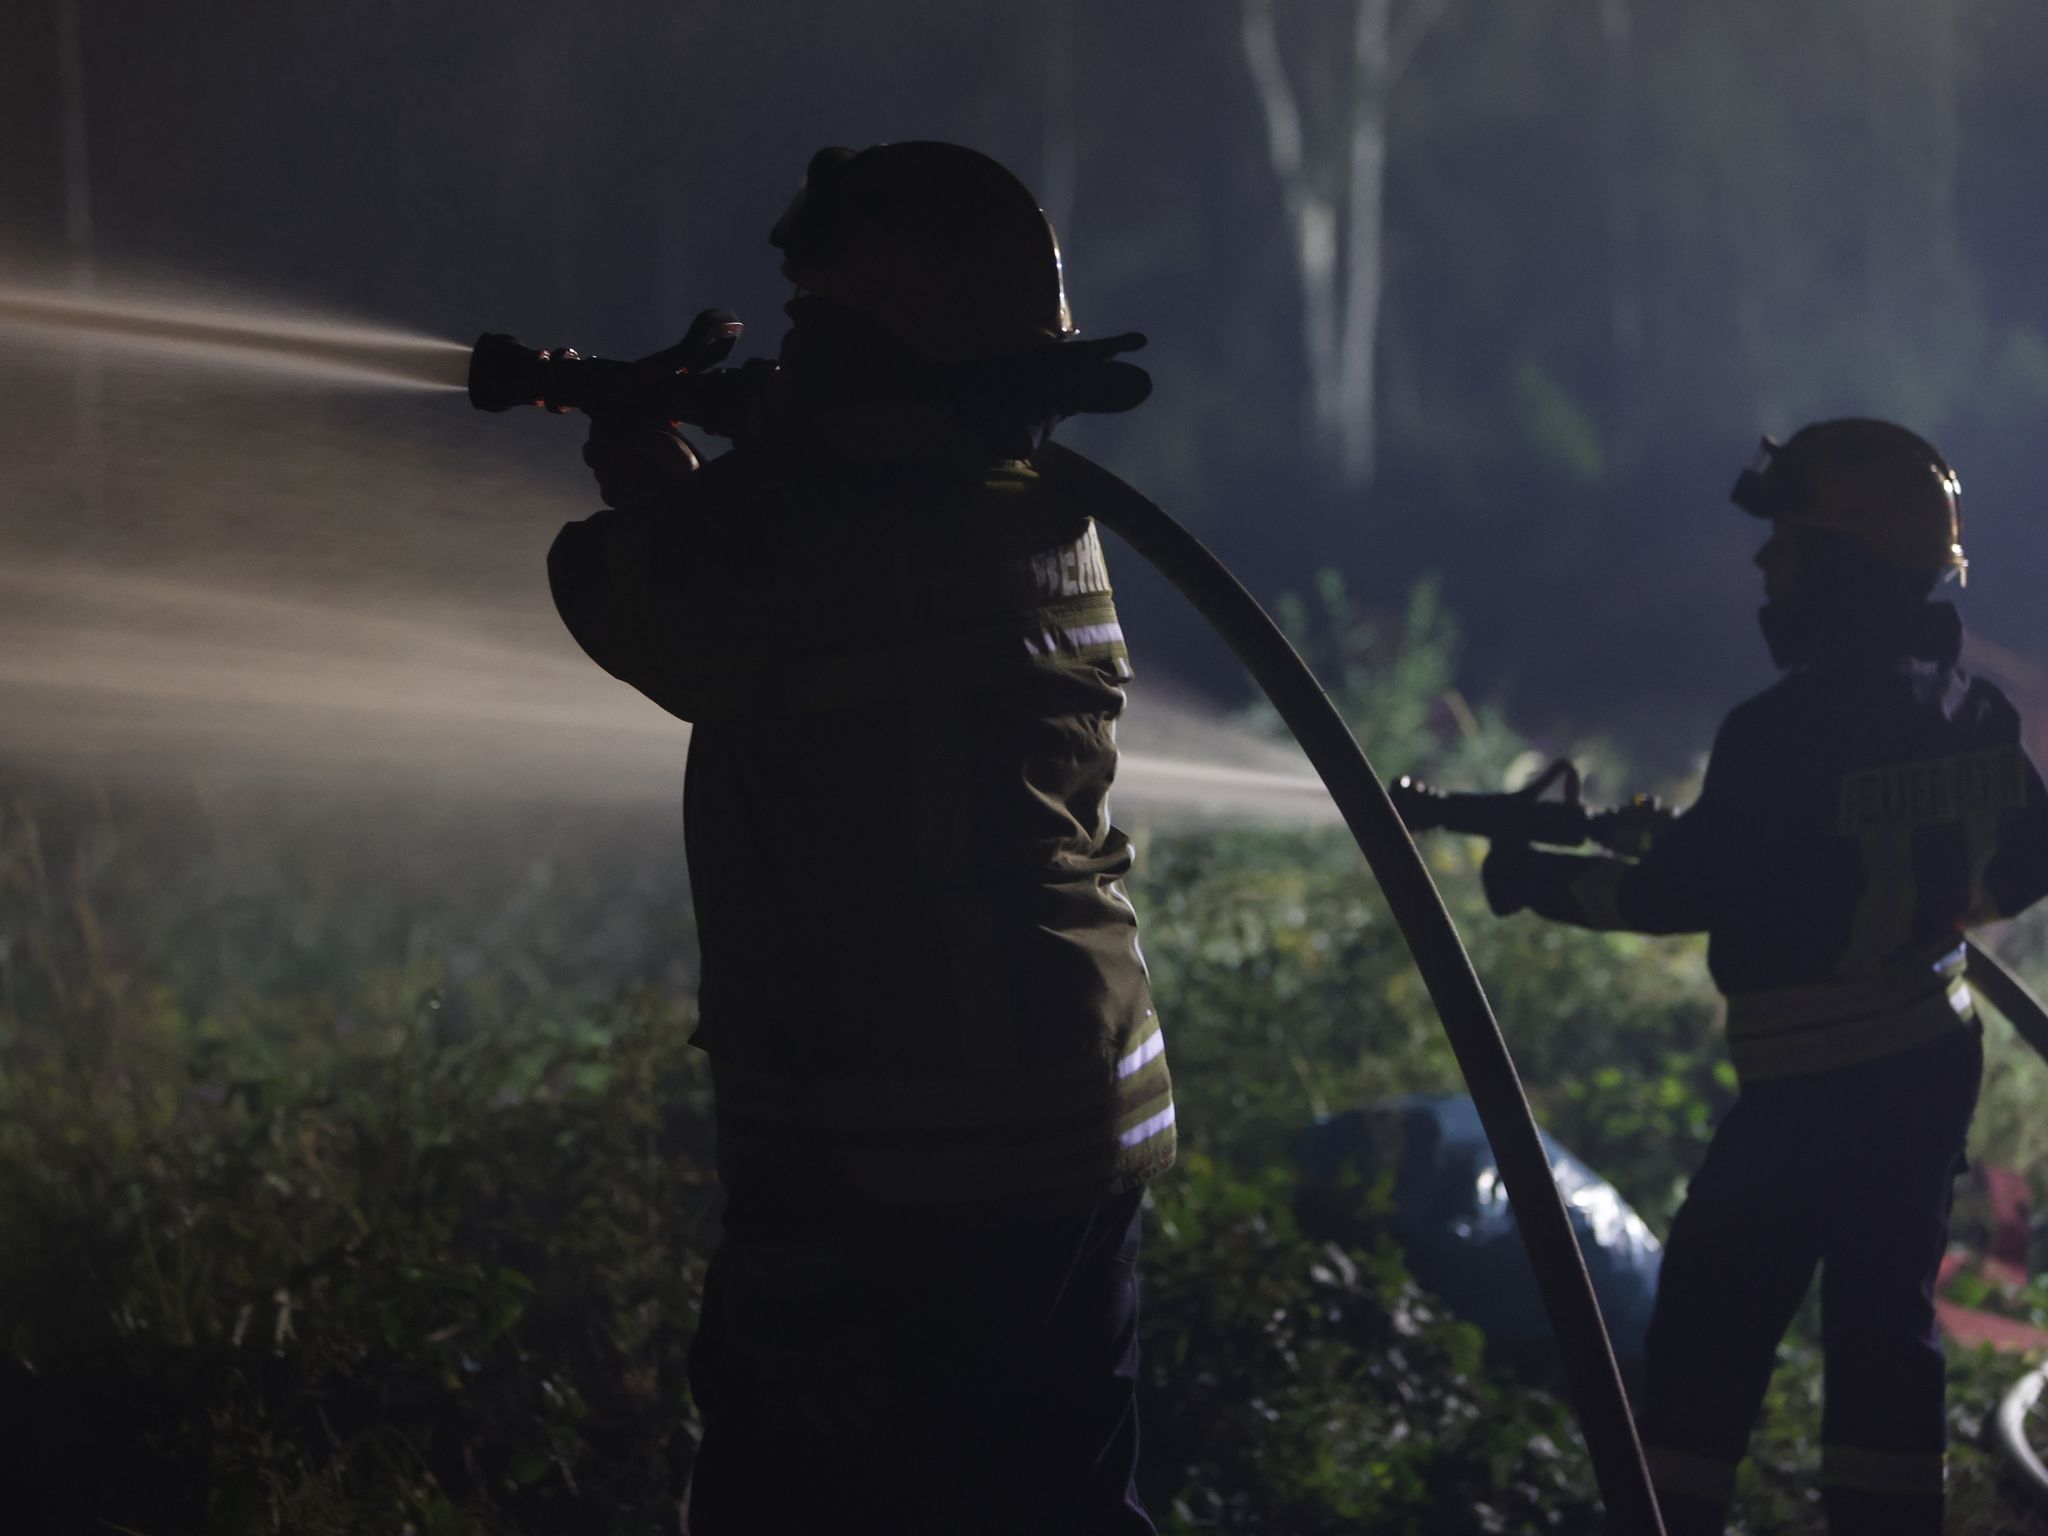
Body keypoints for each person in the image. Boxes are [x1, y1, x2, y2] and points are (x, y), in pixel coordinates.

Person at [545, 143, 1170, 1535]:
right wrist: (738, 461)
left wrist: (643, 454)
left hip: (902, 1151)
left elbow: (618, 591)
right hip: (1071, 1117)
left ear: (893, 345)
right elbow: (788, 599)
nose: (791, 354)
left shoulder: (838, 534)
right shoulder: (1035, 516)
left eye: (812, 325)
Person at [1480, 420, 2048, 1536]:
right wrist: (1910, 910)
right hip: (1928, 1065)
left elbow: (1678, 896)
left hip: (1808, 1092)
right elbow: (2020, 860)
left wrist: (1530, 884)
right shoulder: (1974, 716)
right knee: (1885, 1334)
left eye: (1787, 541)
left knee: (1706, 1330)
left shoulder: (1776, 730)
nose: (1762, 565)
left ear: (1845, 562)